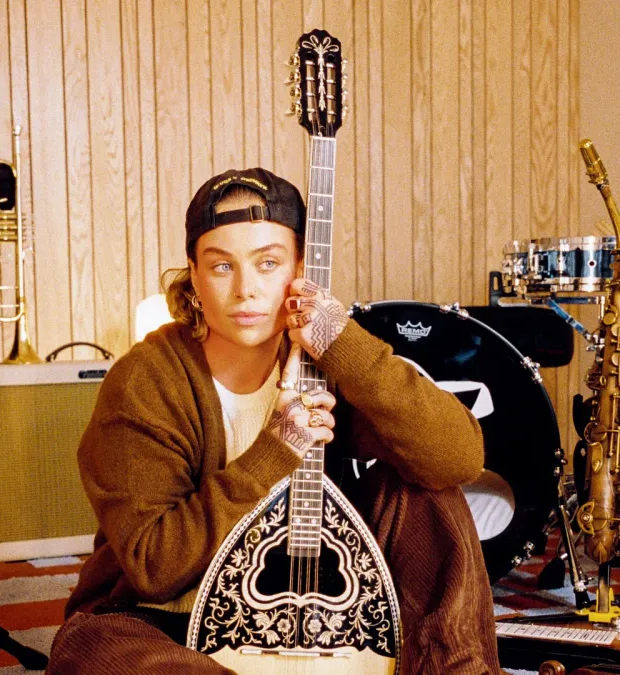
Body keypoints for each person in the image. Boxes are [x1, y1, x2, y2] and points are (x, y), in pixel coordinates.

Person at [46, 168, 499, 674]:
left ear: (302, 268)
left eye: (268, 263)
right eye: (222, 266)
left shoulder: (328, 360)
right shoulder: (146, 379)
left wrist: (343, 343)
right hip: (168, 620)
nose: (246, 290)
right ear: (194, 275)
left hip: (328, 609)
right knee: (90, 649)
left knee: (426, 486)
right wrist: (275, 450)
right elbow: (154, 567)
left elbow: (458, 459)